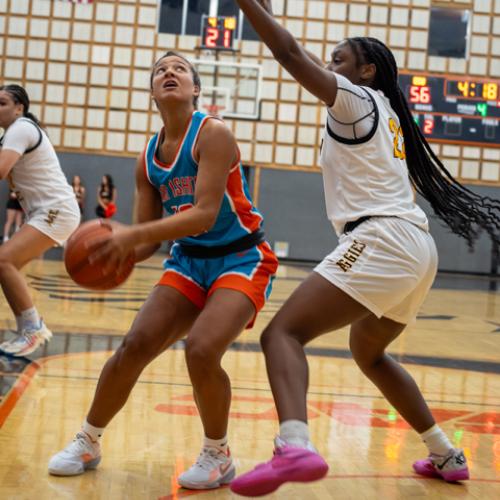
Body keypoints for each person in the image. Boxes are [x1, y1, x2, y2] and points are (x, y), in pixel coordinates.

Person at [229, 1, 500, 496]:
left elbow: (290, 53)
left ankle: (294, 445)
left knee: (282, 335)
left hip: (381, 239)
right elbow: (299, 51)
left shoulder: (355, 100)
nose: (327, 67)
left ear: (365, 71)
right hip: (416, 247)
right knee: (369, 353)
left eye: (337, 60)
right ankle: (445, 452)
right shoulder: (385, 111)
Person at [48, 51, 278, 489]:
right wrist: (111, 255)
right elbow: (151, 240)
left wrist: (127, 237)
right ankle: (88, 440)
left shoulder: (213, 134)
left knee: (202, 349)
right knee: (134, 344)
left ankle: (218, 453)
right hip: (189, 260)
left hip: (242, 257)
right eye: (160, 70)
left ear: (195, 90)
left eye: (179, 69)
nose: (169, 72)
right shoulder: (148, 158)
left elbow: (205, 214)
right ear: (153, 91)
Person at [0, 84, 80, 357]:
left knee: (3, 260)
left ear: (19, 108)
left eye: (2, 103)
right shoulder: (11, 135)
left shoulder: (20, 128)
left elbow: (1, 170)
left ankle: (33, 329)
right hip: (46, 212)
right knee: (4, 267)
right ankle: (28, 329)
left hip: (56, 210)